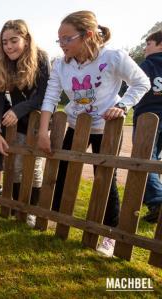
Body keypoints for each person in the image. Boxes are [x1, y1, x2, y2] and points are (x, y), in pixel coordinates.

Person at [36, 10, 150, 257]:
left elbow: (142, 82)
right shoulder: (60, 65)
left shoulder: (113, 57)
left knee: (104, 178)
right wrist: (44, 130)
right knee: (63, 169)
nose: (62, 44)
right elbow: (51, 96)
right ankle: (54, 216)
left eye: (67, 39)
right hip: (77, 126)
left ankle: (110, 233)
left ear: (88, 35)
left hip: (105, 129)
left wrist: (122, 105)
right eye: (59, 39)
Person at [0, 20, 50, 227]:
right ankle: (17, 206)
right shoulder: (3, 62)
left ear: (26, 39)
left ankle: (32, 210)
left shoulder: (41, 58)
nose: (8, 46)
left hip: (36, 122)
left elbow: (44, 95)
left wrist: (18, 109)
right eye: (5, 42)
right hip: (17, 124)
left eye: (14, 41)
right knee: (15, 167)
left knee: (34, 168)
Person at [133, 30, 162, 223]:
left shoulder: (149, 64)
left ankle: (158, 200)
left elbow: (137, 87)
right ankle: (155, 208)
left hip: (149, 118)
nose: (145, 48)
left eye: (149, 44)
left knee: (144, 158)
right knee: (155, 159)